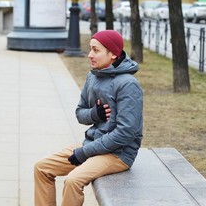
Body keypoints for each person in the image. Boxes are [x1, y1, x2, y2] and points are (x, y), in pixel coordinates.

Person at [34, 30, 143, 206]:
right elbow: (80, 113)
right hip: (92, 144)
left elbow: (126, 133)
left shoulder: (128, 85)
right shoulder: (93, 75)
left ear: (113, 54)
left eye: (96, 50)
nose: (90, 55)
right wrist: (94, 114)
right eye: (90, 49)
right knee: (41, 168)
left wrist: (85, 152)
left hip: (118, 154)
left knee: (73, 181)